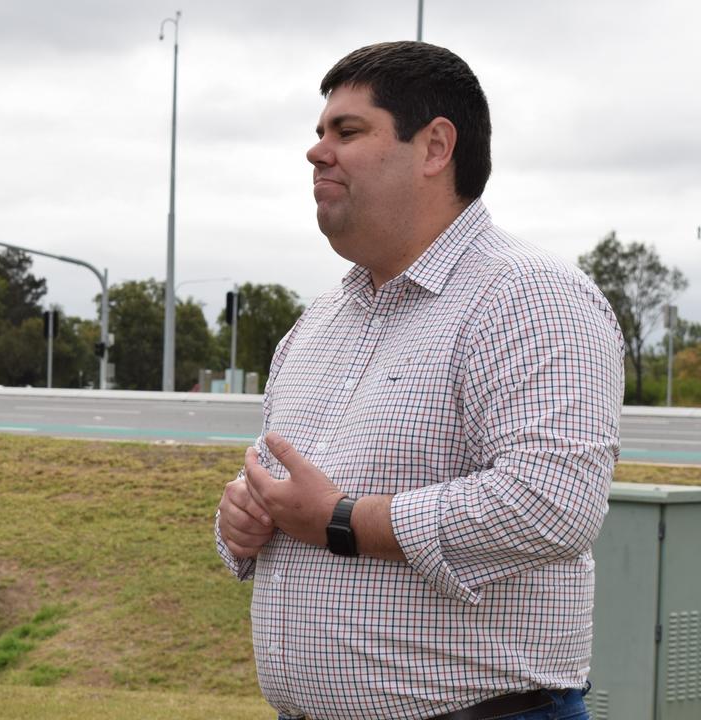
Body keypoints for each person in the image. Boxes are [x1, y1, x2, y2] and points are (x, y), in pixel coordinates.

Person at [215, 41, 623, 720]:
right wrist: (241, 517)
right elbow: (279, 487)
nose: (318, 152)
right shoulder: (317, 322)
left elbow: (552, 503)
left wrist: (344, 521)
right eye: (319, 133)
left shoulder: (531, 298)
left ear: (435, 148)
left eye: (347, 131)